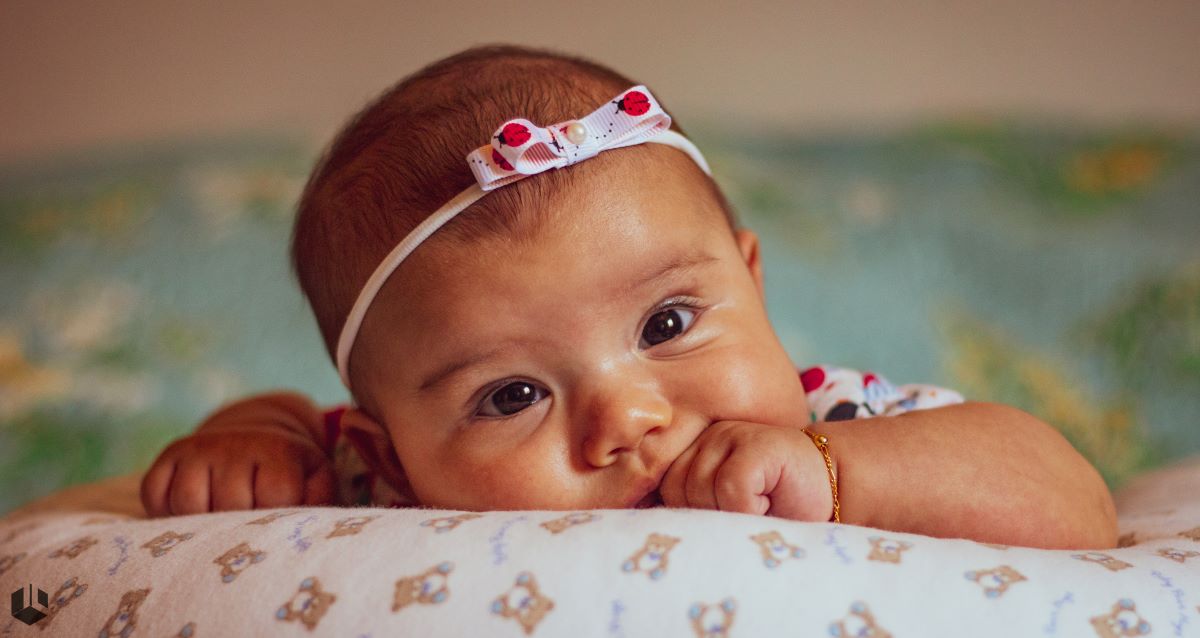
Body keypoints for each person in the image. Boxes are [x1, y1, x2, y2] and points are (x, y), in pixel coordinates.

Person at [140, 44, 1117, 549]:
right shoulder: (392, 490)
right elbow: (297, 428)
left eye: (668, 323)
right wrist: (249, 442)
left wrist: (837, 472)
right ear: (387, 450)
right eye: (510, 394)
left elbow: (1075, 503)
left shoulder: (838, 423)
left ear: (752, 279)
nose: (628, 417)